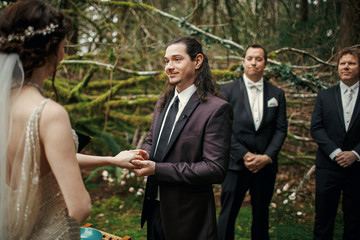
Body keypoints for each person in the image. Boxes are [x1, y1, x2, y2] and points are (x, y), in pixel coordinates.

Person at [0, 1, 142, 239]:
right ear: (54, 49)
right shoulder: (48, 113)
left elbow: (47, 160)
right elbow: (80, 207)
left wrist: (112, 160)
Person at [131, 37, 233, 240]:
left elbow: (215, 169)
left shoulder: (216, 109)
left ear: (197, 61)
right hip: (155, 208)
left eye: (177, 59)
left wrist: (157, 169)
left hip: (189, 216)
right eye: (166, 61)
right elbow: (152, 140)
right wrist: (142, 154)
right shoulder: (163, 102)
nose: (169, 66)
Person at [217, 44, 287, 240]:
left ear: (265, 63)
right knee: (227, 214)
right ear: (243, 62)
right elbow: (222, 129)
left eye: (258, 59)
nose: (253, 63)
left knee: (261, 215)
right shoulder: (227, 91)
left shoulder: (277, 94)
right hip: (236, 164)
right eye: (250, 58)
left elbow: (281, 129)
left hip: (265, 166)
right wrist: (245, 155)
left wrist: (267, 157)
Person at [311, 47, 360, 240]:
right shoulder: (324, 96)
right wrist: (336, 152)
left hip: (357, 168)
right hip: (328, 166)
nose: (346, 67)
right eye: (342, 63)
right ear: (337, 67)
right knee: (323, 218)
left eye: (352, 63)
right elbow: (316, 128)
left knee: (355, 218)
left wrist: (355, 154)